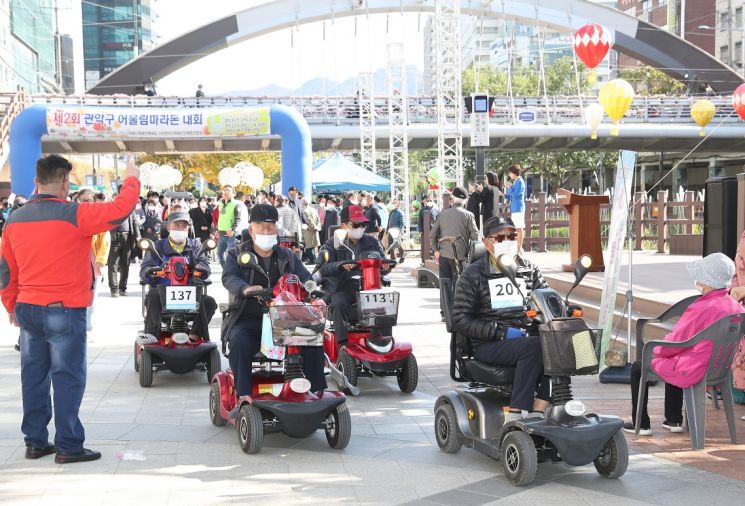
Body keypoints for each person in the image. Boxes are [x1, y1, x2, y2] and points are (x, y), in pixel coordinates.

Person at [0, 154, 140, 463]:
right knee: (67, 377)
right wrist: (131, 178)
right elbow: (120, 210)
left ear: (36, 181)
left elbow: (6, 271)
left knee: (33, 377)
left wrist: (11, 306)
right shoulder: (75, 214)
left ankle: (35, 442)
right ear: (65, 183)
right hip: (65, 309)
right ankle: (68, 445)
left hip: (28, 307)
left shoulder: (15, 218)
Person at [624, 253, 743, 435]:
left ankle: (642, 424)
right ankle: (672, 420)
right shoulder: (736, 307)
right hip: (719, 368)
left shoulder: (702, 307)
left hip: (694, 368)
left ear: (706, 280)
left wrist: (656, 349)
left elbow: (677, 341)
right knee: (675, 357)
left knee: (640, 367)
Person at [222, 204, 326, 405]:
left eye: (270, 227)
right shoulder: (237, 254)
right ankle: (244, 395)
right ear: (251, 229)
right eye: (260, 226)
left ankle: (316, 390)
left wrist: (314, 294)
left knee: (312, 337)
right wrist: (245, 289)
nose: (266, 231)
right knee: (240, 341)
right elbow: (229, 278)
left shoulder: (288, 256)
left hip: (287, 320)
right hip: (251, 318)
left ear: (277, 229)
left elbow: (305, 278)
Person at [451, 216, 550, 421]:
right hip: (490, 343)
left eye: (512, 236)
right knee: (536, 346)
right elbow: (460, 319)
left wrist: (562, 307)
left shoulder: (529, 270)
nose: (508, 242)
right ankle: (514, 414)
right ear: (487, 243)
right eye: (501, 238)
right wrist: (500, 331)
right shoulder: (472, 275)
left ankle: (540, 409)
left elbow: (547, 297)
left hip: (527, 336)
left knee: (558, 343)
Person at [139, 212, 217, 342]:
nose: (180, 229)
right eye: (177, 225)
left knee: (209, 302)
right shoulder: (157, 246)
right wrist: (152, 271)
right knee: (153, 294)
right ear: (168, 227)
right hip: (163, 293)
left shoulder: (196, 246)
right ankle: (151, 335)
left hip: (190, 293)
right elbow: (144, 270)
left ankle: (194, 335)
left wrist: (199, 269)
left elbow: (205, 266)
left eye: (184, 226)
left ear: (189, 228)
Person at [318, 205, 387, 346]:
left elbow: (384, 262)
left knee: (386, 302)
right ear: (344, 224)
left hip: (369, 285)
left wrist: (385, 266)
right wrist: (340, 265)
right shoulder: (333, 243)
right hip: (342, 286)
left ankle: (383, 342)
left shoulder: (372, 242)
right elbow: (323, 268)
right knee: (339, 303)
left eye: (364, 224)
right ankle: (342, 345)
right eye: (356, 224)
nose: (360, 227)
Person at [76, 190, 111, 332]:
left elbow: (105, 242)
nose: (86, 202)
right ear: (78, 200)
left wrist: (100, 262)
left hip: (93, 264)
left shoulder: (98, 219)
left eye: (89, 200)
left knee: (92, 296)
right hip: (75, 265)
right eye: (83, 200)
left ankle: (87, 322)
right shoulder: (72, 217)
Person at [430, 186, 479, 285]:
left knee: (444, 286)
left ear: (453, 198)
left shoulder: (443, 214)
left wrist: (435, 250)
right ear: (465, 200)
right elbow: (475, 237)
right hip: (461, 257)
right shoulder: (469, 215)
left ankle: (445, 301)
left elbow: (432, 234)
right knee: (460, 286)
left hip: (444, 255)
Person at [107, 206, 141, 297]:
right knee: (113, 264)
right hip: (114, 238)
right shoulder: (112, 208)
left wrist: (138, 236)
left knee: (125, 264)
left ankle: (122, 288)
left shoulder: (130, 209)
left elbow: (135, 223)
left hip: (127, 238)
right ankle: (114, 289)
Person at [216, 185, 241, 268]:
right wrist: (216, 229)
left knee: (230, 256)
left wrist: (232, 229)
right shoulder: (221, 204)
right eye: (224, 190)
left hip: (230, 235)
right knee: (219, 254)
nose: (225, 192)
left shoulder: (236, 204)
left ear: (233, 193)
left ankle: (231, 272)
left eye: (228, 190)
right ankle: (226, 270)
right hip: (221, 234)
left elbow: (238, 219)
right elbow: (221, 218)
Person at [503, 164, 526, 253]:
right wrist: (503, 194)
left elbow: (515, 195)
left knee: (519, 228)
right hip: (515, 208)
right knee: (516, 228)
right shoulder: (516, 182)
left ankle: (519, 248)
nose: (509, 175)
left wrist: (509, 187)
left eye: (510, 173)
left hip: (518, 208)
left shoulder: (520, 182)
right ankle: (517, 247)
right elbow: (511, 195)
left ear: (514, 173)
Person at [301, 198, 321, 264]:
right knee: (312, 246)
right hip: (315, 230)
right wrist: (317, 227)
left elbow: (309, 221)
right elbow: (318, 219)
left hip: (309, 230)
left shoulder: (306, 211)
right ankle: (314, 259)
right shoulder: (313, 209)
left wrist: (313, 227)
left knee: (309, 246)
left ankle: (312, 260)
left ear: (303, 204)